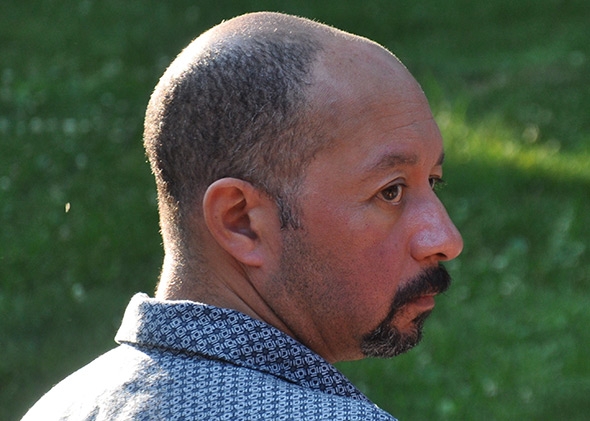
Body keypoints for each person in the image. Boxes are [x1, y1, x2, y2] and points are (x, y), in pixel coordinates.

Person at [22, 11, 463, 420]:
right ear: (241, 221)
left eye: (433, 181)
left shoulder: (59, 407)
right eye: (390, 192)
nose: (447, 238)